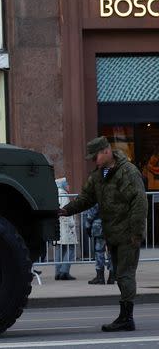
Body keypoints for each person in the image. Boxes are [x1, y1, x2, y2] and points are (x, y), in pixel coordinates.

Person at [59, 136, 148, 332]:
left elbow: (140, 203)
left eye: (95, 156)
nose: (93, 161)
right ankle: (125, 316)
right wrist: (66, 210)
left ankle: (126, 318)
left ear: (107, 151)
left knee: (124, 275)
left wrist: (136, 233)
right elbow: (86, 198)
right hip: (112, 234)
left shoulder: (128, 172)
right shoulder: (99, 175)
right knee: (119, 274)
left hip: (127, 235)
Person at [84, 203, 114, 284]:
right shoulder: (115, 192)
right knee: (112, 251)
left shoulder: (98, 193)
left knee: (99, 251)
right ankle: (112, 276)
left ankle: (100, 277)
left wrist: (87, 225)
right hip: (113, 224)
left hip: (99, 225)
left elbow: (92, 212)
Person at [54, 178, 77, 280]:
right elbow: (65, 211)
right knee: (71, 248)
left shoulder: (54, 193)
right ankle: (65, 271)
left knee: (59, 249)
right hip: (66, 227)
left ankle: (58, 272)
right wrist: (72, 224)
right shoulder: (64, 195)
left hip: (57, 226)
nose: (68, 185)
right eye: (67, 183)